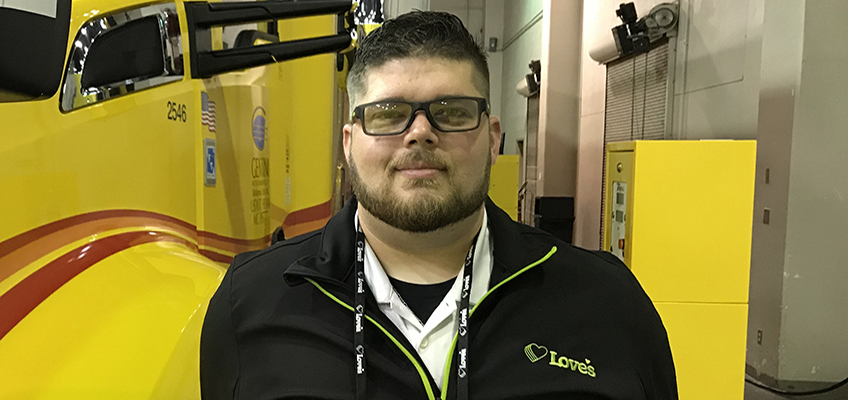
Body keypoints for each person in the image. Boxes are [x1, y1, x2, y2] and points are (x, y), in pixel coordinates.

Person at [200, 11, 676, 400]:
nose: (420, 131)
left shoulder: (606, 304)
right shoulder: (251, 303)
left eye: (451, 112)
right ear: (349, 143)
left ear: (493, 138)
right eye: (387, 114)